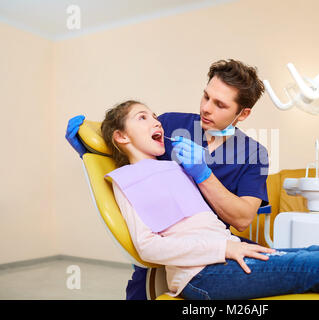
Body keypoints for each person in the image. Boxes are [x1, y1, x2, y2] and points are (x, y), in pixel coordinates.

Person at [100, 100, 319, 300]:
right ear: (121, 136)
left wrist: (229, 242)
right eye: (143, 117)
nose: (156, 120)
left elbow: (232, 216)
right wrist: (224, 249)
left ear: (242, 113)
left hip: (228, 252)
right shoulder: (126, 180)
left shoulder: (172, 165)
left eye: (154, 115)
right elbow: (147, 248)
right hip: (202, 276)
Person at [65, 59, 269, 300]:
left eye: (219, 104)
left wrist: (203, 174)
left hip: (211, 249)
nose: (206, 108)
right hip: (163, 248)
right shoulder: (172, 124)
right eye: (205, 97)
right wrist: (93, 149)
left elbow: (243, 217)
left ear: (242, 113)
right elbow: (129, 140)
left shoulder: (254, 153)